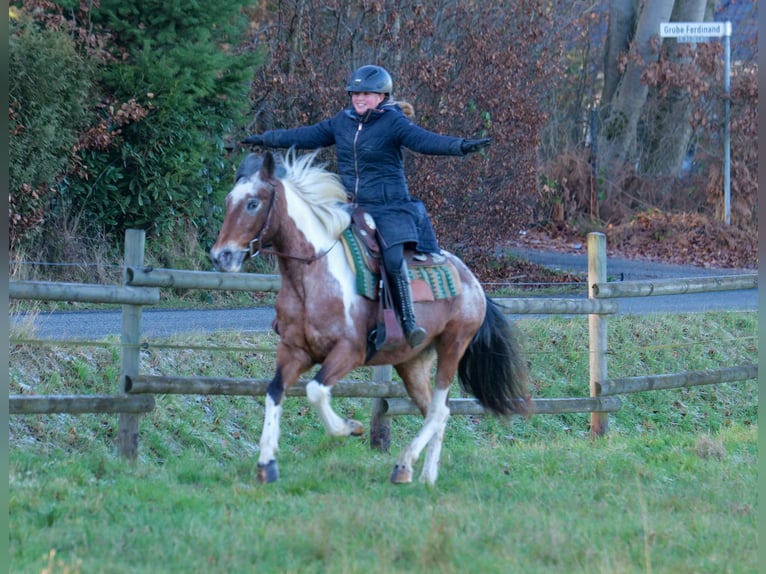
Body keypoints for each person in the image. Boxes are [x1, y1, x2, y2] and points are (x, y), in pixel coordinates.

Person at [241, 64, 490, 348]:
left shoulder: (394, 123)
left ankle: (407, 320)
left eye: (366, 94)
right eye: (355, 93)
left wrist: (460, 146)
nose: (359, 98)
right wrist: (265, 138)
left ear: (382, 96)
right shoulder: (342, 121)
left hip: (390, 207)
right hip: (349, 206)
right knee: (311, 244)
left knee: (393, 259)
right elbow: (306, 135)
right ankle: (299, 313)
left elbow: (425, 141)